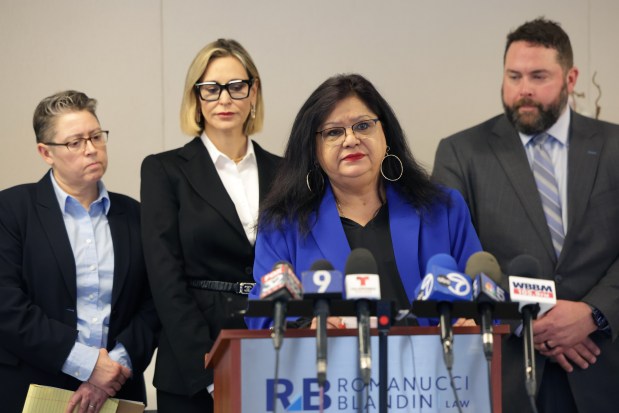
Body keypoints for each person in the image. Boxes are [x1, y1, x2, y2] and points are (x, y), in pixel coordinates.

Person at [433, 18, 619, 413]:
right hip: (509, 366)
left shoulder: (615, 146)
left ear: (571, 78)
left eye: (539, 76)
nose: (524, 90)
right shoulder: (460, 153)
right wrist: (526, 320)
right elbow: (451, 257)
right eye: (513, 76)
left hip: (604, 361)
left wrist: (593, 313)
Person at [246, 73, 481, 330]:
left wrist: (471, 321)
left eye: (363, 126)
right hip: (327, 365)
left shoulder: (443, 209)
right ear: (313, 150)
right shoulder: (283, 225)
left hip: (435, 366)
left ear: (386, 134)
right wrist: (306, 330)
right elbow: (262, 317)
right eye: (334, 132)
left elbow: (483, 297)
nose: (351, 139)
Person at [140, 38, 281, 412]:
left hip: (275, 352)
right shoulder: (164, 170)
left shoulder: (285, 172)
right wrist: (208, 366)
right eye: (211, 88)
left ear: (253, 93)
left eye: (237, 86)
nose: (225, 99)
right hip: (194, 363)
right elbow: (164, 277)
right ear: (196, 98)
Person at [0, 90, 159, 413]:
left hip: (118, 388)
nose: (92, 149)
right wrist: (87, 364)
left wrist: (113, 367)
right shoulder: (12, 210)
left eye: (97, 137)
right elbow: (7, 305)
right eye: (75, 142)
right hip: (32, 386)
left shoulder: (136, 215)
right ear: (46, 152)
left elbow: (153, 305)